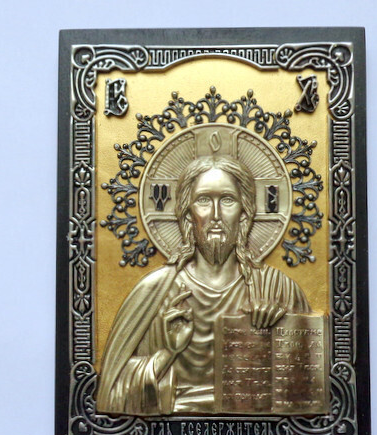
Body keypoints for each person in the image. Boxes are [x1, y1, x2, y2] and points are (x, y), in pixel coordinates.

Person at [96, 155, 310, 415]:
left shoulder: (278, 291)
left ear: (244, 214)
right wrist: (168, 352)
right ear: (188, 215)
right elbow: (111, 394)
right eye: (204, 200)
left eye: (227, 200)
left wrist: (281, 331)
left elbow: (308, 393)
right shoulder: (155, 291)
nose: (216, 215)